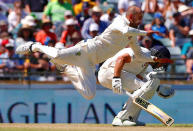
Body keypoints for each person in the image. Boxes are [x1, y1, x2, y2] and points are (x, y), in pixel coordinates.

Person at [16, 6, 165, 100]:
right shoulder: (120, 22)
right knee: (56, 55)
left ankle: (67, 68)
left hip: (90, 62)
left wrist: (153, 59)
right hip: (85, 51)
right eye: (139, 19)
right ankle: (35, 46)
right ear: (131, 17)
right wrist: (146, 32)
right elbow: (126, 30)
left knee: (89, 94)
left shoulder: (132, 35)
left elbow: (138, 54)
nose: (140, 22)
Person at [98, 46, 173, 126]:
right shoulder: (142, 53)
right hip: (109, 72)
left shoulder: (146, 63)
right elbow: (121, 58)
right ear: (157, 56)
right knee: (150, 85)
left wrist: (157, 88)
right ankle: (122, 118)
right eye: (163, 61)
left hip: (117, 74)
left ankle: (131, 118)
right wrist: (116, 78)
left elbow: (139, 79)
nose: (163, 65)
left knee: (144, 91)